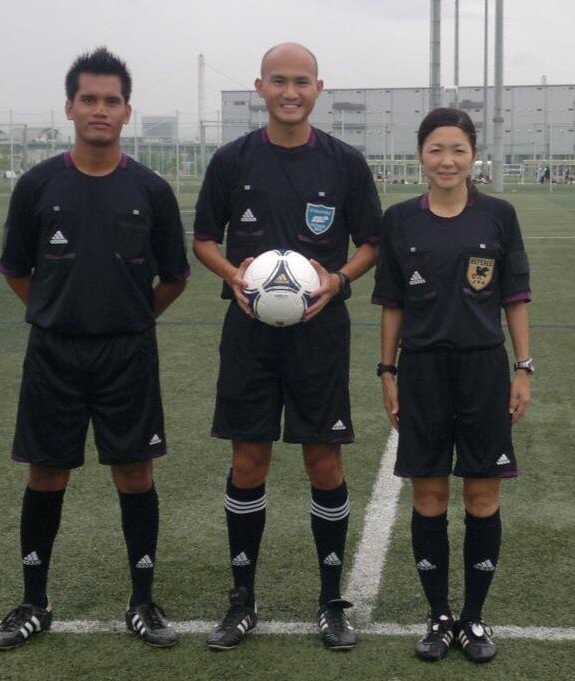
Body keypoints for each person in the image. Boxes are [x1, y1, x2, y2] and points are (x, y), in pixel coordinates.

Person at [0, 47, 189, 650]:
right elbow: (16, 269)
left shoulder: (150, 191)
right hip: (54, 353)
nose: (99, 110)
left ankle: (143, 602)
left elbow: (174, 277)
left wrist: (127, 318)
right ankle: (32, 601)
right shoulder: (37, 184)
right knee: (47, 473)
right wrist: (53, 312)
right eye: (89, 99)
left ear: (128, 111)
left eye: (111, 100)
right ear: (70, 106)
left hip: (127, 354)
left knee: (133, 472)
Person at [193, 42, 382, 651]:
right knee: (249, 461)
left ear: (318, 88)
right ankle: (242, 600)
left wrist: (339, 279)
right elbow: (203, 239)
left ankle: (331, 603)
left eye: (301, 81)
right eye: (279, 80)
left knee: (323, 462)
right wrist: (233, 276)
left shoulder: (345, 163)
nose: (290, 91)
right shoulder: (231, 160)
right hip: (247, 334)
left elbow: (371, 243)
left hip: (320, 334)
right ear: (260, 86)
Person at [372, 107, 532, 663]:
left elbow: (514, 297)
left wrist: (523, 367)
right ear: (421, 154)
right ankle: (439, 616)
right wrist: (386, 372)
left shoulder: (499, 216)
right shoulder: (399, 220)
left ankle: (474, 619)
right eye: (437, 149)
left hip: (484, 370)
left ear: (473, 155)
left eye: (458, 149)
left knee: (483, 494)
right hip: (422, 372)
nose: (447, 160)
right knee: (430, 494)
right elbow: (390, 304)